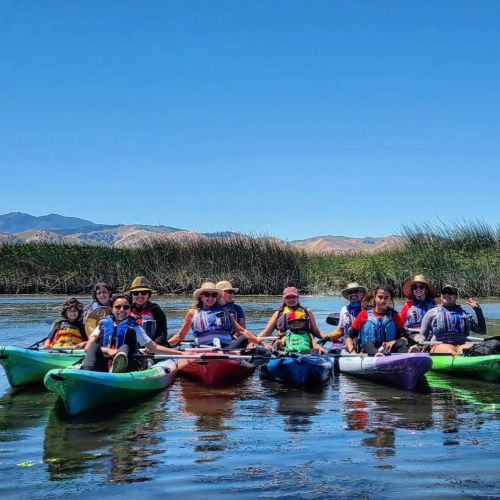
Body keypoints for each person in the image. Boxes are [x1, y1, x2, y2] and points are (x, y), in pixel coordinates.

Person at [81, 294, 181, 373]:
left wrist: (181, 353)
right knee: (94, 346)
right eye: (118, 307)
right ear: (111, 309)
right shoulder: (102, 324)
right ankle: (86, 374)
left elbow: (154, 348)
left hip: (129, 364)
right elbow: (88, 347)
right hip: (104, 363)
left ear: (130, 309)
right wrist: (108, 350)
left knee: (124, 347)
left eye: (126, 307)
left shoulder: (134, 326)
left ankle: (117, 370)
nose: (122, 310)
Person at [167, 282, 270, 350]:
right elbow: (180, 336)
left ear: (216, 297)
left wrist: (262, 343)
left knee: (243, 338)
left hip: (226, 349)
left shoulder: (225, 312)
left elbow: (241, 331)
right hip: (203, 348)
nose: (210, 298)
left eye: (214, 295)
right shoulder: (192, 313)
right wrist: (164, 346)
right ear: (201, 297)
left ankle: (229, 358)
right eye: (207, 295)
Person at [418, 284, 487, 354]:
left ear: (456, 296)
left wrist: (478, 311)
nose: (447, 295)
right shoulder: (431, 313)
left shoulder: (465, 314)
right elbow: (423, 335)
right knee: (451, 352)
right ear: (441, 296)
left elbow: (482, 331)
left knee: (475, 350)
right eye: (444, 292)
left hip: (463, 343)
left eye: (450, 293)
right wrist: (420, 346)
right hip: (439, 344)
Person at [344, 284, 409, 356]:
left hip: (389, 349)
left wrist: (393, 342)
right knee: (368, 344)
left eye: (386, 298)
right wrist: (352, 351)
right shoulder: (364, 315)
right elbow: (348, 335)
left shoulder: (394, 315)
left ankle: (407, 360)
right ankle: (378, 355)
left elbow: (404, 337)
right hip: (368, 350)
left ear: (390, 299)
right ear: (375, 297)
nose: (383, 300)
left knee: (401, 343)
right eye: (380, 297)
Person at [259, 286, 325, 341]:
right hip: (285, 342)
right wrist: (254, 340)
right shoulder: (278, 313)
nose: (291, 300)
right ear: (284, 299)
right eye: (288, 297)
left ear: (297, 297)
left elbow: (316, 331)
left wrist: (329, 337)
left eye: (293, 297)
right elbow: (266, 332)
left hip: (304, 342)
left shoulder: (307, 311)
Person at [127, 276, 168, 345]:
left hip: (151, 345)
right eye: (136, 293)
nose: (140, 296)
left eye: (143, 293)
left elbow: (162, 332)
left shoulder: (156, 310)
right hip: (132, 345)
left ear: (148, 294)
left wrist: (154, 346)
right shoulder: (126, 309)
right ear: (132, 296)